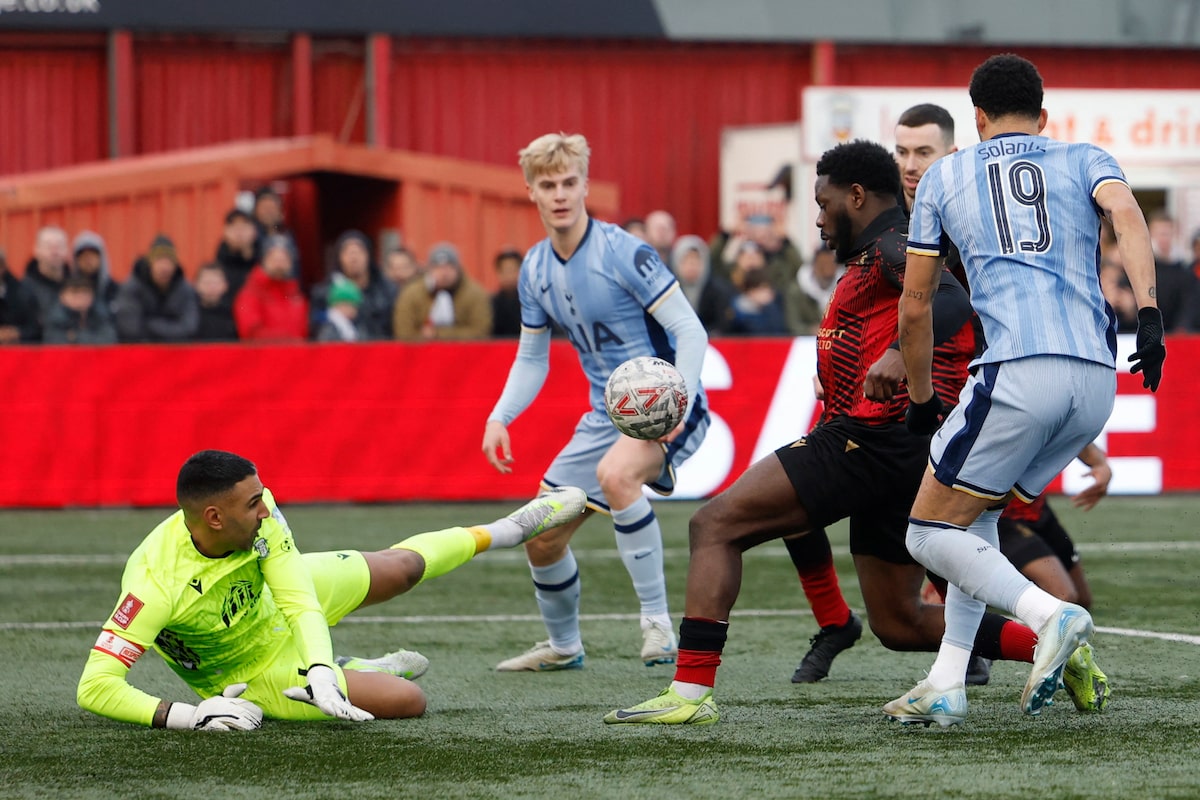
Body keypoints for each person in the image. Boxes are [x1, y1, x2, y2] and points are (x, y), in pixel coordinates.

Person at [605, 139, 1054, 727]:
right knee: (898, 623)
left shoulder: (894, 244)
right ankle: (1049, 645)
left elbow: (950, 302)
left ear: (857, 196)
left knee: (713, 525)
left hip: (870, 439)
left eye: (823, 203)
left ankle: (689, 691)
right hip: (901, 449)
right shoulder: (873, 256)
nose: (818, 219)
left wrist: (896, 356)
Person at [887, 53, 1164, 727]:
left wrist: (921, 399)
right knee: (976, 517)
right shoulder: (1085, 156)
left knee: (926, 532)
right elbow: (1127, 213)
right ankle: (947, 680)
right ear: (1043, 117)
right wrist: (1151, 315)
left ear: (977, 117)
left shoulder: (946, 174)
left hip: (1018, 368)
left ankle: (1049, 616)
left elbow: (916, 307)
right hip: (1096, 379)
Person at [76, 449, 587, 729]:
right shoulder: (155, 583)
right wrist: (187, 715)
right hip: (250, 671)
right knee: (408, 700)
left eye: (261, 495)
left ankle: (510, 528)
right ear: (214, 518)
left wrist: (318, 667)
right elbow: (95, 687)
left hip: (276, 600)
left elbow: (298, 600)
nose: (267, 508)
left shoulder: (262, 518)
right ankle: (360, 668)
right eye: (253, 503)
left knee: (402, 568)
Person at [481, 132, 710, 670]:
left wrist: (679, 401)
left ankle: (658, 626)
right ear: (531, 192)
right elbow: (532, 358)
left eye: (569, 182)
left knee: (615, 475)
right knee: (541, 536)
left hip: (665, 406)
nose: (560, 194)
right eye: (548, 185)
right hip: (605, 416)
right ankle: (564, 648)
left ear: (586, 186)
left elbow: (690, 330)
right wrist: (499, 416)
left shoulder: (624, 252)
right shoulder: (534, 269)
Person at [785, 103, 971, 686]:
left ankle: (993, 635)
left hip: (948, 396)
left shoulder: (964, 219)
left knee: (944, 534)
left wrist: (899, 353)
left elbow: (957, 304)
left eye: (924, 153)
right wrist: (840, 363)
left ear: (952, 156)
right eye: (903, 152)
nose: (911, 165)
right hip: (878, 404)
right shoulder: (887, 224)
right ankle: (838, 622)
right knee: (792, 501)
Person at [393, 242, 492, 340]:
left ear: (458, 269)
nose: (444, 273)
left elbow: (481, 332)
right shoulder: (412, 294)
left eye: (449, 267)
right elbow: (404, 333)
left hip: (465, 350)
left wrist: (437, 333)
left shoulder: (474, 294)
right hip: (423, 350)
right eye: (438, 268)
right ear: (429, 269)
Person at [113, 235, 200, 343]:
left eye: (169, 262)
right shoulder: (132, 288)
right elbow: (130, 329)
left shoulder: (185, 290)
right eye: (159, 260)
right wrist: (171, 329)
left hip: (176, 352)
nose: (164, 267)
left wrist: (149, 324)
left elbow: (189, 328)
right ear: (150, 263)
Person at [311, 230, 395, 339]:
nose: (354, 258)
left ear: (368, 255)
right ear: (339, 258)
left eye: (359, 252)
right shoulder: (324, 293)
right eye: (347, 253)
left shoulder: (387, 291)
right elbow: (316, 330)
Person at [233, 235, 309, 342]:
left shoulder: (297, 296)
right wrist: (290, 341)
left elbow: (304, 333)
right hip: (264, 353)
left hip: (296, 352)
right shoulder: (248, 295)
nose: (279, 264)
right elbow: (250, 333)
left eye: (284, 259)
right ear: (263, 261)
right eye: (274, 258)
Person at [671, 235, 734, 334]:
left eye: (696, 260)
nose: (691, 265)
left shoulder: (719, 291)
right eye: (686, 260)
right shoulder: (669, 292)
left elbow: (723, 325)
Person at [20, 225, 71, 342]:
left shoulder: (77, 287)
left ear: (67, 250)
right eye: (48, 246)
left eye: (59, 246)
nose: (54, 252)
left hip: (72, 351)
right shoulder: (22, 289)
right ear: (36, 250)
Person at [1147, 211, 1194, 332]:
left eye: (1167, 234)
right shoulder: (1141, 268)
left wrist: (1181, 328)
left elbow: (1188, 306)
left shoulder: (1184, 272)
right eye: (1160, 234)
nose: (1164, 239)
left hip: (1175, 334)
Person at [43, 274, 118, 345]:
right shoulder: (54, 320)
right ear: (62, 296)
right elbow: (55, 344)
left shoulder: (101, 317)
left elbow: (110, 341)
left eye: (85, 292)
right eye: (74, 292)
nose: (80, 296)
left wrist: (75, 337)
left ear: (92, 296)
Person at [784, 246, 843, 336]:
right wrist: (810, 330)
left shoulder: (846, 289)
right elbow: (793, 325)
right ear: (814, 266)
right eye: (822, 264)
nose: (827, 268)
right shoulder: (796, 291)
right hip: (807, 340)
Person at [71, 230, 121, 318]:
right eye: (83, 255)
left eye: (92, 255)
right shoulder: (68, 292)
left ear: (101, 258)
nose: (88, 260)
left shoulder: (115, 291)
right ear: (76, 260)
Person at [214, 208, 261, 299]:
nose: (239, 232)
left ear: (254, 231)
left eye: (244, 227)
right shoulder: (217, 268)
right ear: (225, 232)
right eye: (234, 227)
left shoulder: (265, 264)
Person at [193, 263, 239, 342]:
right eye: (206, 283)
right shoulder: (189, 314)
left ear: (225, 285)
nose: (211, 287)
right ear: (196, 285)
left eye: (216, 283)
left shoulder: (234, 314)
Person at [0, 251, 36, 344]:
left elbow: (35, 328)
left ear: (3, 267)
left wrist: (17, 333)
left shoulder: (22, 292)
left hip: (18, 348)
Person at [491, 247, 524, 338]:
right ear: (498, 273)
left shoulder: (533, 304)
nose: (509, 275)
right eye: (505, 270)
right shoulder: (491, 305)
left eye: (513, 270)